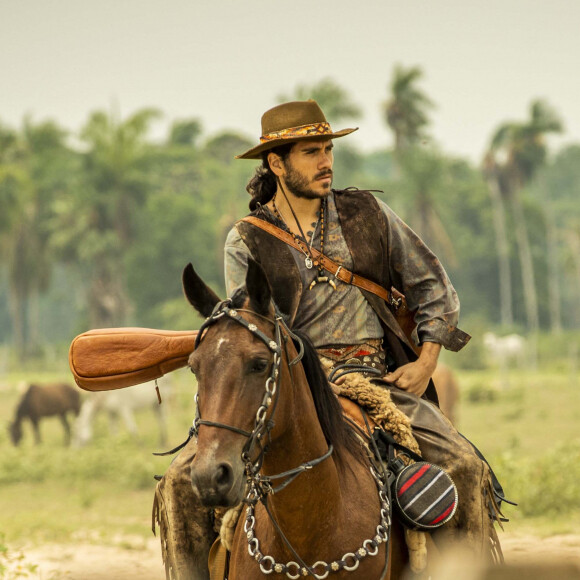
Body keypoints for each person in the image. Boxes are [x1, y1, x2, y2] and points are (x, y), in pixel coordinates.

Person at [153, 100, 504, 579]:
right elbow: (253, 325)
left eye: (328, 149)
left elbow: (432, 285)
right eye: (311, 152)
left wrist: (426, 361)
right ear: (276, 163)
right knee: (179, 486)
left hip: (375, 383)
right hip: (289, 383)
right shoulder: (247, 240)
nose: (326, 162)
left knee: (465, 466)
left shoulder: (368, 213)